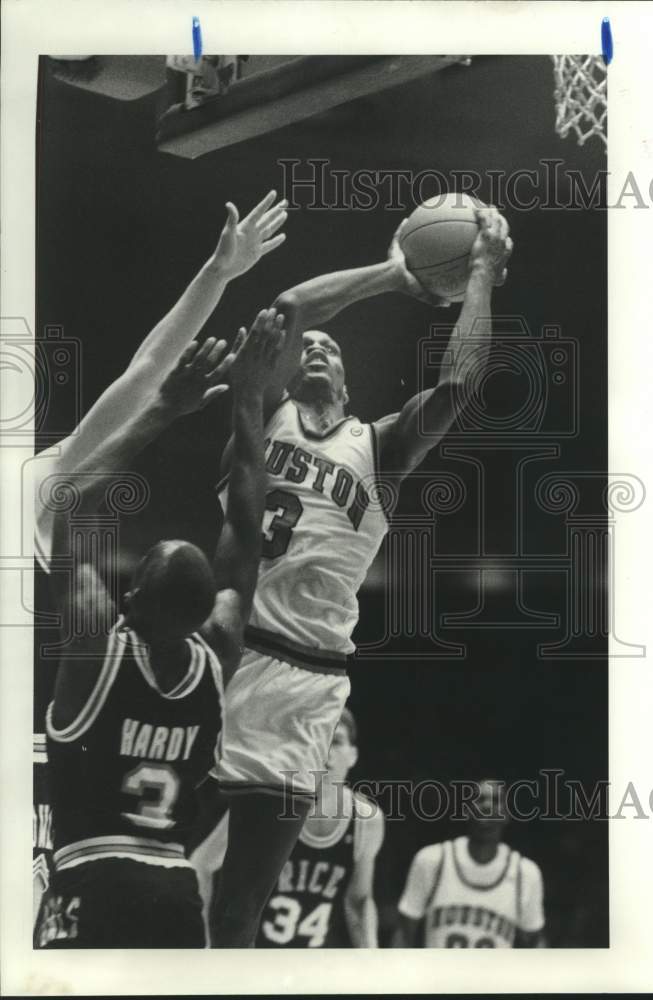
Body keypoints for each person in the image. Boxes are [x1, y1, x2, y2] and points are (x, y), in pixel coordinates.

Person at [211, 207, 513, 946]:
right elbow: (285, 311)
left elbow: (457, 388)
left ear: (347, 381)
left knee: (239, 905)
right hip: (227, 650)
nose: (313, 347)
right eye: (305, 348)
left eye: (329, 349)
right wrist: (392, 276)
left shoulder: (376, 447)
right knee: (169, 862)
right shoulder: (263, 411)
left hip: (309, 685)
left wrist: (479, 278)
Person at [31, 190, 287, 924]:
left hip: (63, 757)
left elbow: (147, 373)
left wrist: (217, 272)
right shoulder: (190, 635)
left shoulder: (40, 484)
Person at [192, 706, 385, 947]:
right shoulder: (266, 804)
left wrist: (373, 965)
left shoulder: (366, 819)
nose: (325, 752)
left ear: (353, 755)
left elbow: (359, 902)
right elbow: (200, 866)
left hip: (311, 966)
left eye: (336, 741)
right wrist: (203, 945)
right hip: (254, 964)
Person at [394, 778, 546, 948]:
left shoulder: (525, 873)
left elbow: (536, 944)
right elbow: (403, 933)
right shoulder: (432, 860)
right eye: (479, 799)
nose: (487, 806)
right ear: (466, 809)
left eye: (496, 801)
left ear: (507, 814)